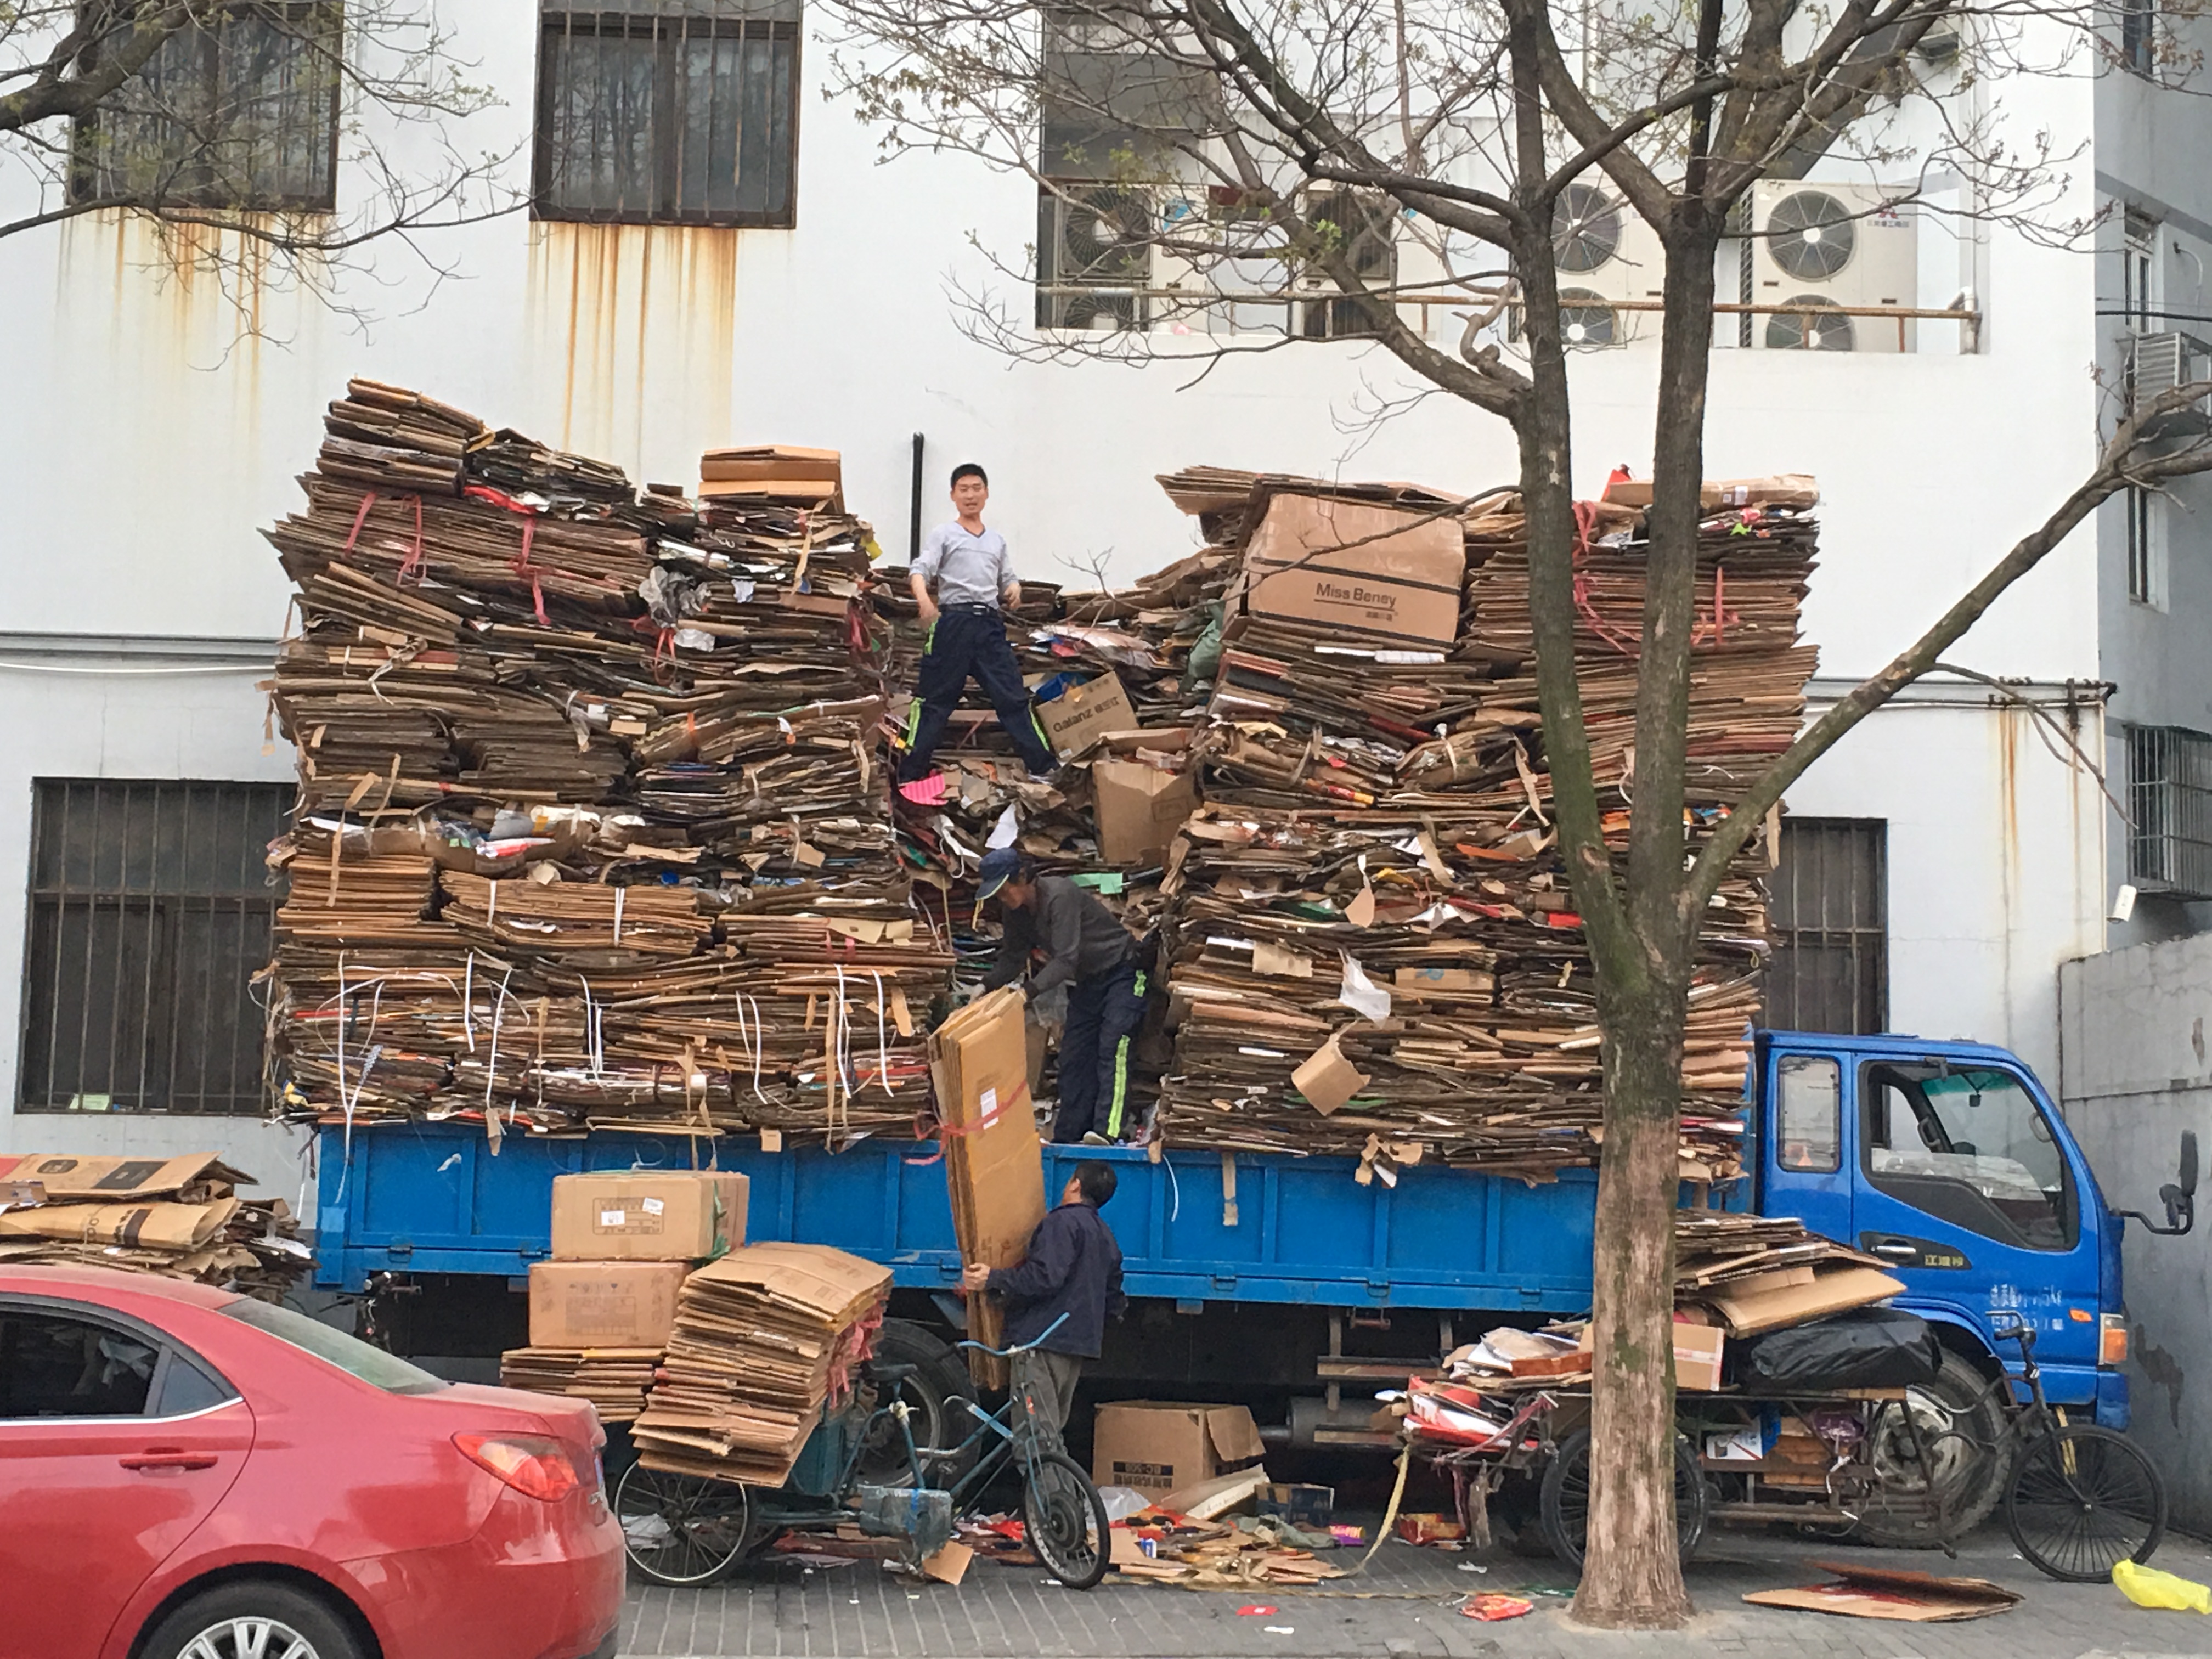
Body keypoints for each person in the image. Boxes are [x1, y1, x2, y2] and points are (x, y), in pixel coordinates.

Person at [977, 847, 1148, 1144]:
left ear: (1022, 877)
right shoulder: (1016, 913)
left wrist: (1025, 993)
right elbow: (1014, 956)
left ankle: (1108, 1132)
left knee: (1114, 1046)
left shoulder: (1059, 896)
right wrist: (985, 985)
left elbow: (1065, 960)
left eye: (1005, 891)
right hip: (1088, 982)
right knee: (1073, 1057)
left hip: (1124, 971)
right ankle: (1068, 1138)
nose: (1004, 899)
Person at [899, 462, 1058, 782]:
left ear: (986, 493)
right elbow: (919, 571)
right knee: (933, 702)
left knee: (1012, 698)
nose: (970, 495)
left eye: (976, 488)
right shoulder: (943, 534)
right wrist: (926, 603)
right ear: (953, 496)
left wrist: (1014, 588)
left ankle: (1043, 769)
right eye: (963, 489)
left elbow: (1008, 578)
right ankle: (910, 774)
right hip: (953, 624)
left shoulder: (996, 541)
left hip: (989, 626)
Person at [961, 1161, 1124, 1443]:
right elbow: (1115, 1300)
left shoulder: (1061, 1223)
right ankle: (1056, 1488)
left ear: (1075, 1184)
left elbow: (1044, 1278)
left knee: (1035, 1441)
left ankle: (1046, 1489)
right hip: (1075, 1347)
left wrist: (994, 1279)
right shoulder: (1105, 1235)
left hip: (1042, 1342)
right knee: (1050, 1434)